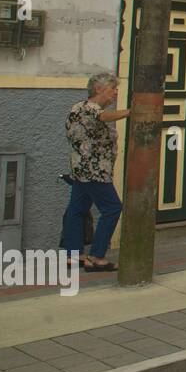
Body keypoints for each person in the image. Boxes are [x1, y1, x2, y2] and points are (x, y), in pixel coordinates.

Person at [61, 72, 130, 272]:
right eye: (112, 89)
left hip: (81, 170)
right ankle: (97, 256)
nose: (116, 93)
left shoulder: (79, 108)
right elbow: (103, 116)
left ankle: (74, 256)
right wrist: (130, 112)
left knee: (77, 209)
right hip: (94, 171)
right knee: (112, 208)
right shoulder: (88, 107)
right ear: (98, 89)